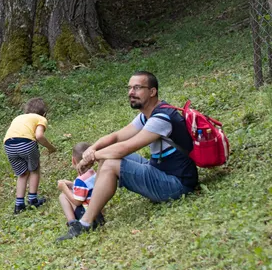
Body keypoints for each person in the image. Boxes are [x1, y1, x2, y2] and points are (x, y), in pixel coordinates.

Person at [58, 71, 198, 241]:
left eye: (137, 87)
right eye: (130, 88)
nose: (131, 92)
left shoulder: (161, 118)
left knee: (109, 162)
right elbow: (116, 137)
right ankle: (95, 212)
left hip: (177, 185)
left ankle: (86, 223)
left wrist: (93, 156)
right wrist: (93, 149)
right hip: (161, 172)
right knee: (106, 156)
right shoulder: (147, 115)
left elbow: (124, 148)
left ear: (152, 92)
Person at [4, 97, 57, 213]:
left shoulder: (18, 117)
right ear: (44, 113)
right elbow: (39, 136)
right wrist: (50, 148)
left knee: (22, 174)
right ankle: (33, 199)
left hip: (8, 144)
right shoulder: (40, 118)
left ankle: (19, 205)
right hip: (26, 143)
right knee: (34, 169)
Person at [58, 142, 105, 228]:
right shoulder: (93, 173)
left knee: (63, 196)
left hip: (88, 215)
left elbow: (77, 202)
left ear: (73, 160)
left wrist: (64, 188)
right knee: (70, 192)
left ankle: (72, 222)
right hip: (98, 212)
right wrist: (72, 185)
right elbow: (87, 190)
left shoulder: (80, 180)